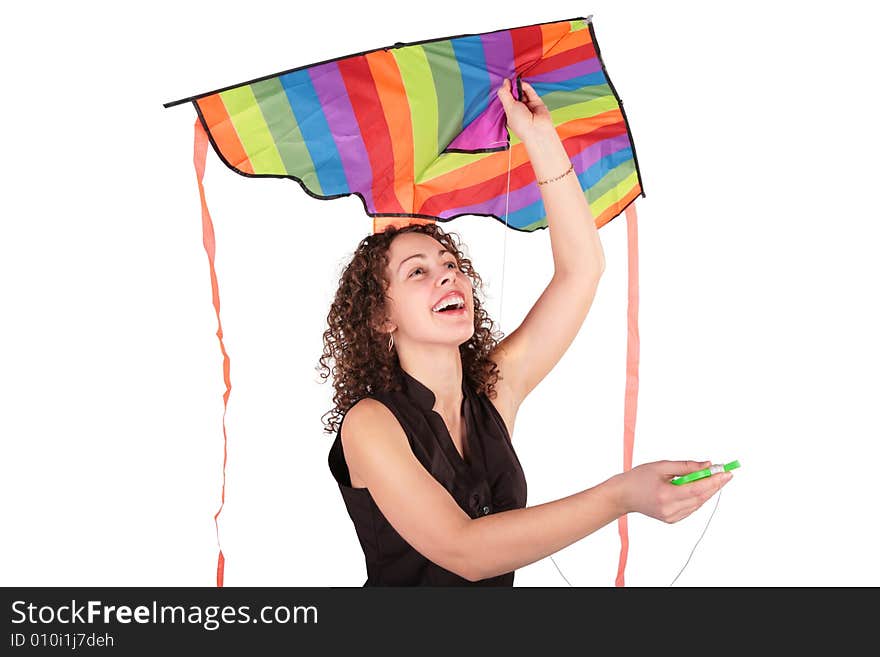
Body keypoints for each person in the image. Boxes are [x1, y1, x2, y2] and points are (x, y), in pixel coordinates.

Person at [320, 78, 733, 585]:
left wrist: (539, 137)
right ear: (382, 317)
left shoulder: (493, 388)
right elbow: (464, 551)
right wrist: (621, 496)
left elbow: (582, 269)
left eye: (450, 264)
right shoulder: (370, 424)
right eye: (418, 272)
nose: (447, 274)